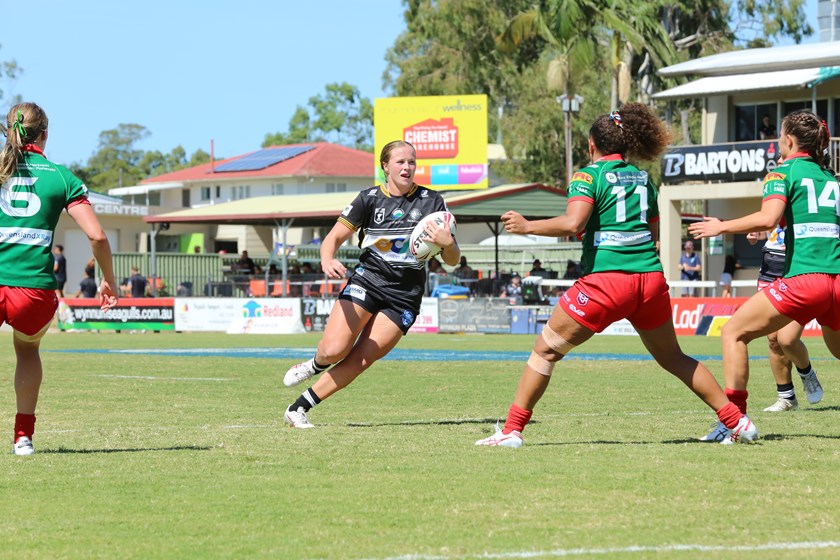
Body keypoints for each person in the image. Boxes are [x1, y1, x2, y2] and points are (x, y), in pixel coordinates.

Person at [476, 102, 757, 449]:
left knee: (544, 352)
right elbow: (650, 232)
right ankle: (736, 420)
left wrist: (526, 226)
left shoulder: (587, 176)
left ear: (592, 145)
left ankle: (512, 431)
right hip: (650, 280)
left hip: (606, 281)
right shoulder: (643, 180)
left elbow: (573, 223)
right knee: (674, 357)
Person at [282, 140, 460, 428]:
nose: (407, 167)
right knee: (335, 349)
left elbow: (452, 259)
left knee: (361, 360)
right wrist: (327, 259)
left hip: (405, 296)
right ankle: (314, 364)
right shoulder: (368, 199)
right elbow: (334, 238)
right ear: (385, 166)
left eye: (412, 162)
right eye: (400, 161)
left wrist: (447, 243)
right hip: (369, 280)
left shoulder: (433, 202)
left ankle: (297, 408)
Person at [688, 109, 839, 440]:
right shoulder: (830, 179)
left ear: (788, 140)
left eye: (779, 137)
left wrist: (722, 226)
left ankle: (734, 424)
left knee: (734, 334)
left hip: (805, 279)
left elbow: (769, 218)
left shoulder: (782, 172)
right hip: (837, 281)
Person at [0, 102, 118, 456]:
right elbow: (97, 236)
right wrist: (108, 280)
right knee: (27, 349)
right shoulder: (61, 176)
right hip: (33, 290)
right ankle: (24, 437)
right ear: (45, 134)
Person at [744, 227, 822, 413]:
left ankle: (807, 373)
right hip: (769, 272)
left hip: (796, 269)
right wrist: (756, 233)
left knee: (787, 339)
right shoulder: (776, 199)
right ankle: (786, 398)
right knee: (773, 340)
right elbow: (770, 226)